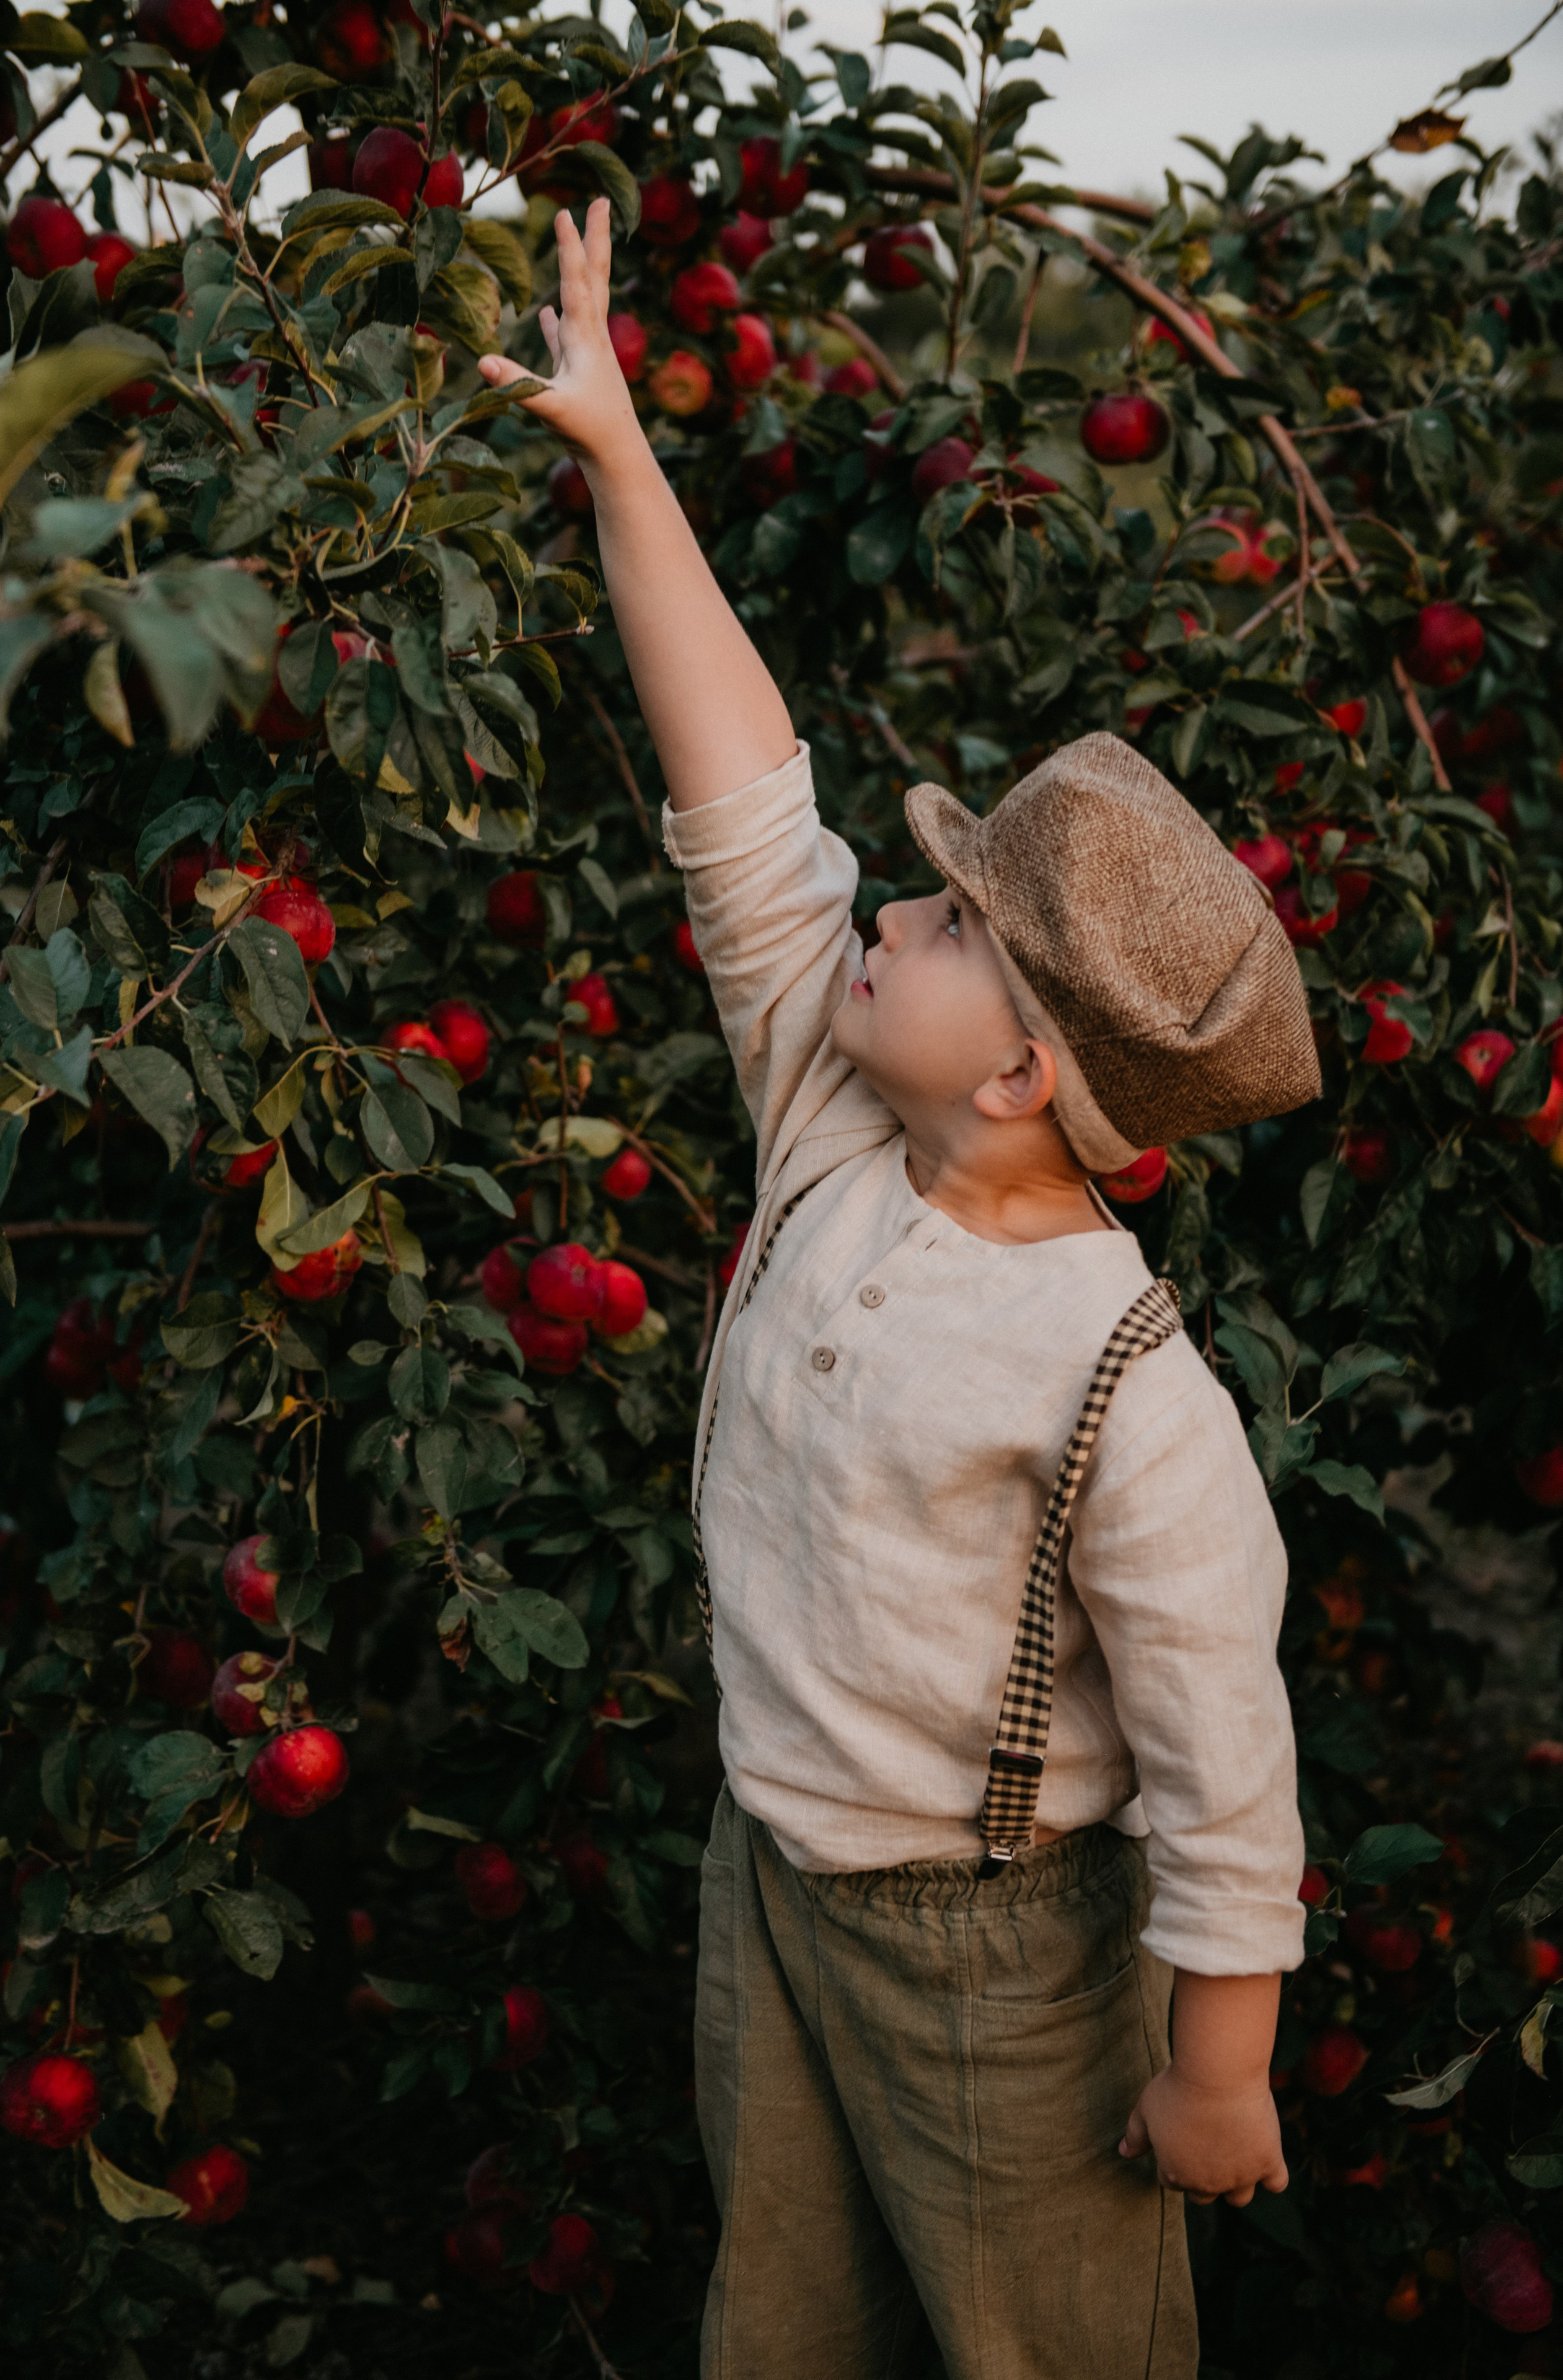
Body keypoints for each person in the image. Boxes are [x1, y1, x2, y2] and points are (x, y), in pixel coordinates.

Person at [480, 201, 1319, 2380]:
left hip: (1013, 1967)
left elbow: (1230, 1764)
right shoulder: (835, 1122)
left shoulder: (1124, 1380)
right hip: (777, 1892)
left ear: (1032, 1069)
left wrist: (1219, 2066)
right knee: (785, 2323)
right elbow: (747, 804)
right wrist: (619, 457)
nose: (889, 915)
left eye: (944, 923)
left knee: (1044, 2341)